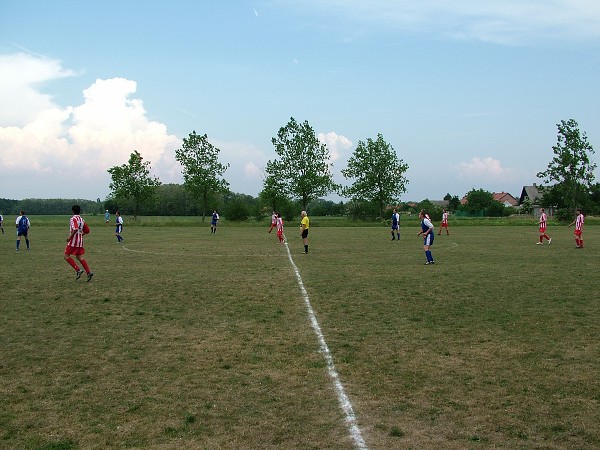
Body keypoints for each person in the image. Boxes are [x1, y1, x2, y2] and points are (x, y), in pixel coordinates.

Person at [64, 205, 93, 281]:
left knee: (66, 256)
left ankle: (78, 270)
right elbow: (87, 230)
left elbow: (75, 229)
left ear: (73, 211)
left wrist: (70, 237)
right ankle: (88, 272)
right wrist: (81, 235)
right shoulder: (81, 219)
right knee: (79, 257)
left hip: (74, 241)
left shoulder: (73, 219)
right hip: (80, 241)